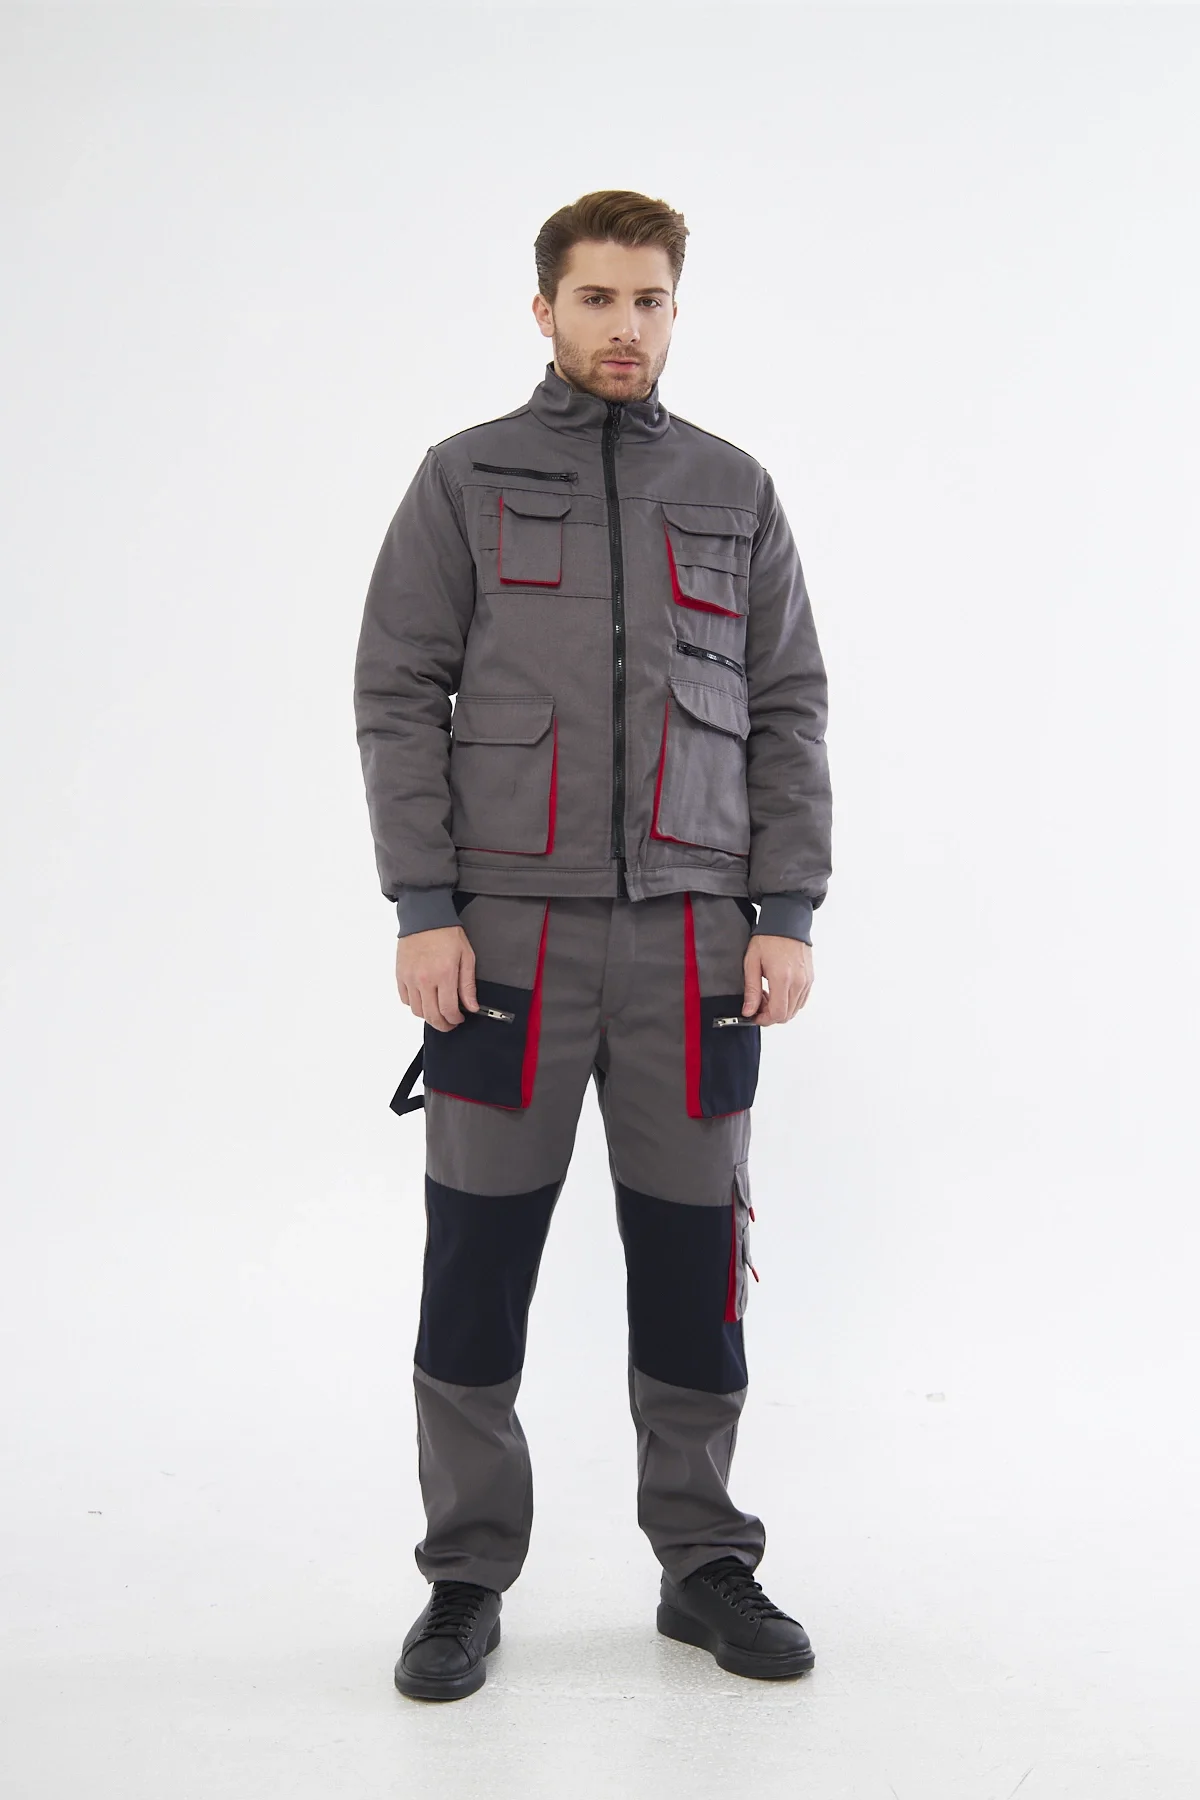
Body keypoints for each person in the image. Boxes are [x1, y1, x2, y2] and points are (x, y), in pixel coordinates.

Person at [353, 189, 833, 1702]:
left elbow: (788, 708)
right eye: (598, 298)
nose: (626, 326)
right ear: (545, 309)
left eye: (650, 300)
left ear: (676, 311)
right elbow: (396, 694)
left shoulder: (734, 489)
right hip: (506, 941)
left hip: (695, 946)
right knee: (477, 1260)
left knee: (694, 1262)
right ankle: (464, 1576)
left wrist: (786, 911)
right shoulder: (464, 480)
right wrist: (426, 908)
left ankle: (704, 1562)